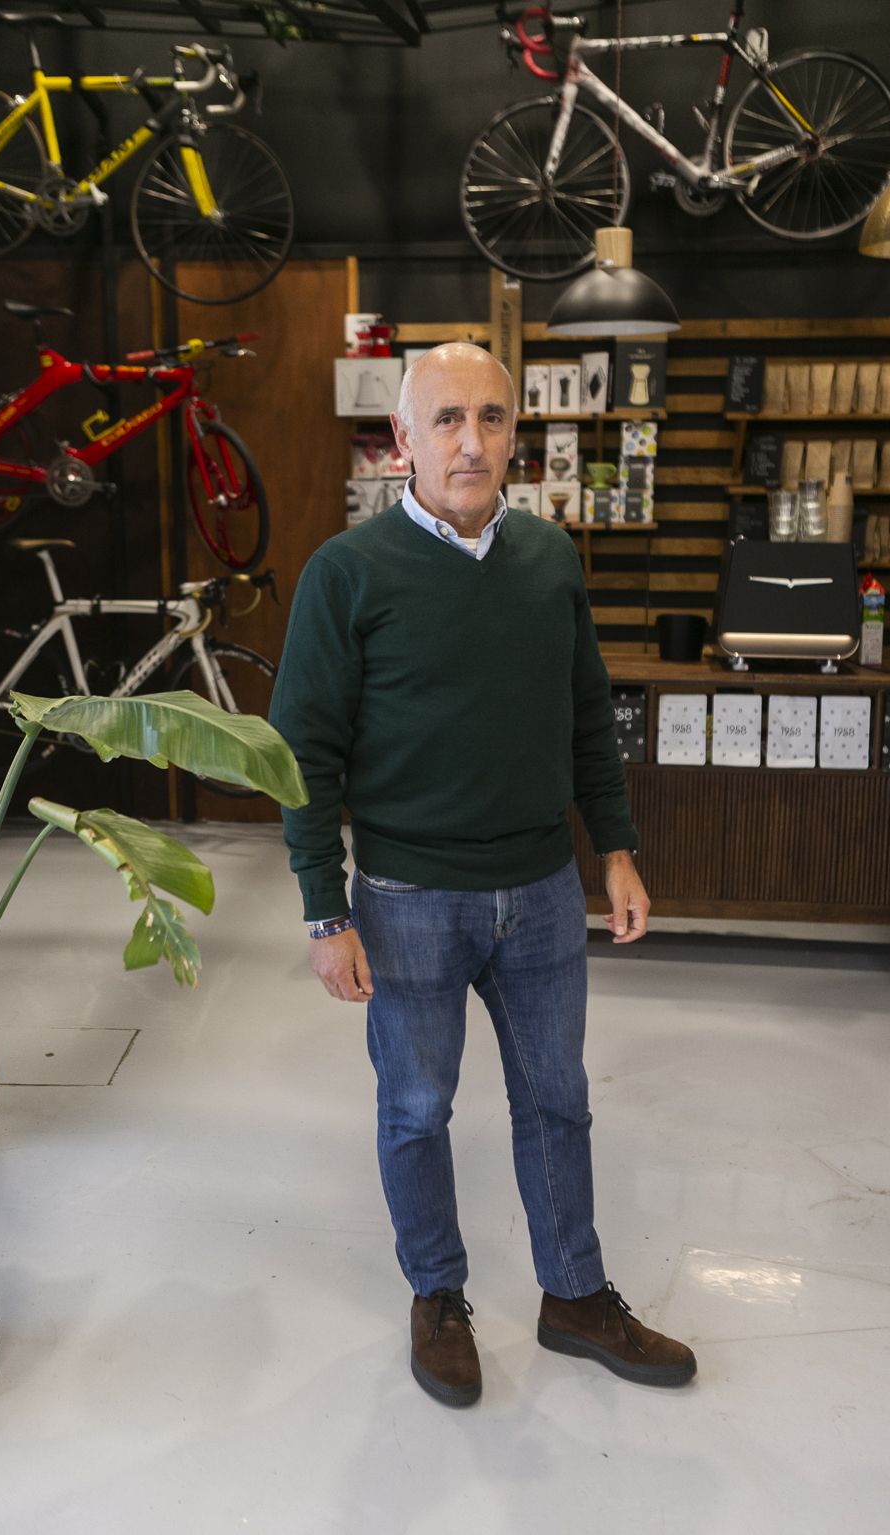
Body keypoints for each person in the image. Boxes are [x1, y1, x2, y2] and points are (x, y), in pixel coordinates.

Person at [270, 343, 696, 1406]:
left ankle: (575, 1295)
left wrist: (618, 849)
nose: (472, 438)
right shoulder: (348, 573)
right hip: (408, 898)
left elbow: (587, 712)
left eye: (493, 417)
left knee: (558, 1099)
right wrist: (326, 907)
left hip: (545, 890)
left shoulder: (551, 558)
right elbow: (303, 750)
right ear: (403, 440)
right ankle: (437, 1294)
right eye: (448, 418)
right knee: (416, 1108)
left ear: (516, 433)